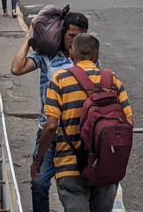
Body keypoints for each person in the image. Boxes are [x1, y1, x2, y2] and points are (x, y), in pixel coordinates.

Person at [33, 34, 133, 212]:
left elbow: (51, 126)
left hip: (70, 166)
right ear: (97, 56)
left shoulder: (60, 79)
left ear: (71, 54)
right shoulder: (112, 80)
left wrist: (38, 159)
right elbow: (129, 123)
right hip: (105, 165)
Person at [12, 13, 90, 212]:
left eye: (79, 37)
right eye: (71, 36)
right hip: (49, 130)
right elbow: (17, 69)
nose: (74, 41)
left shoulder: (88, 61)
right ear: (63, 33)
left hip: (77, 133)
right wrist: (29, 38)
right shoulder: (47, 56)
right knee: (39, 182)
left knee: (76, 187)